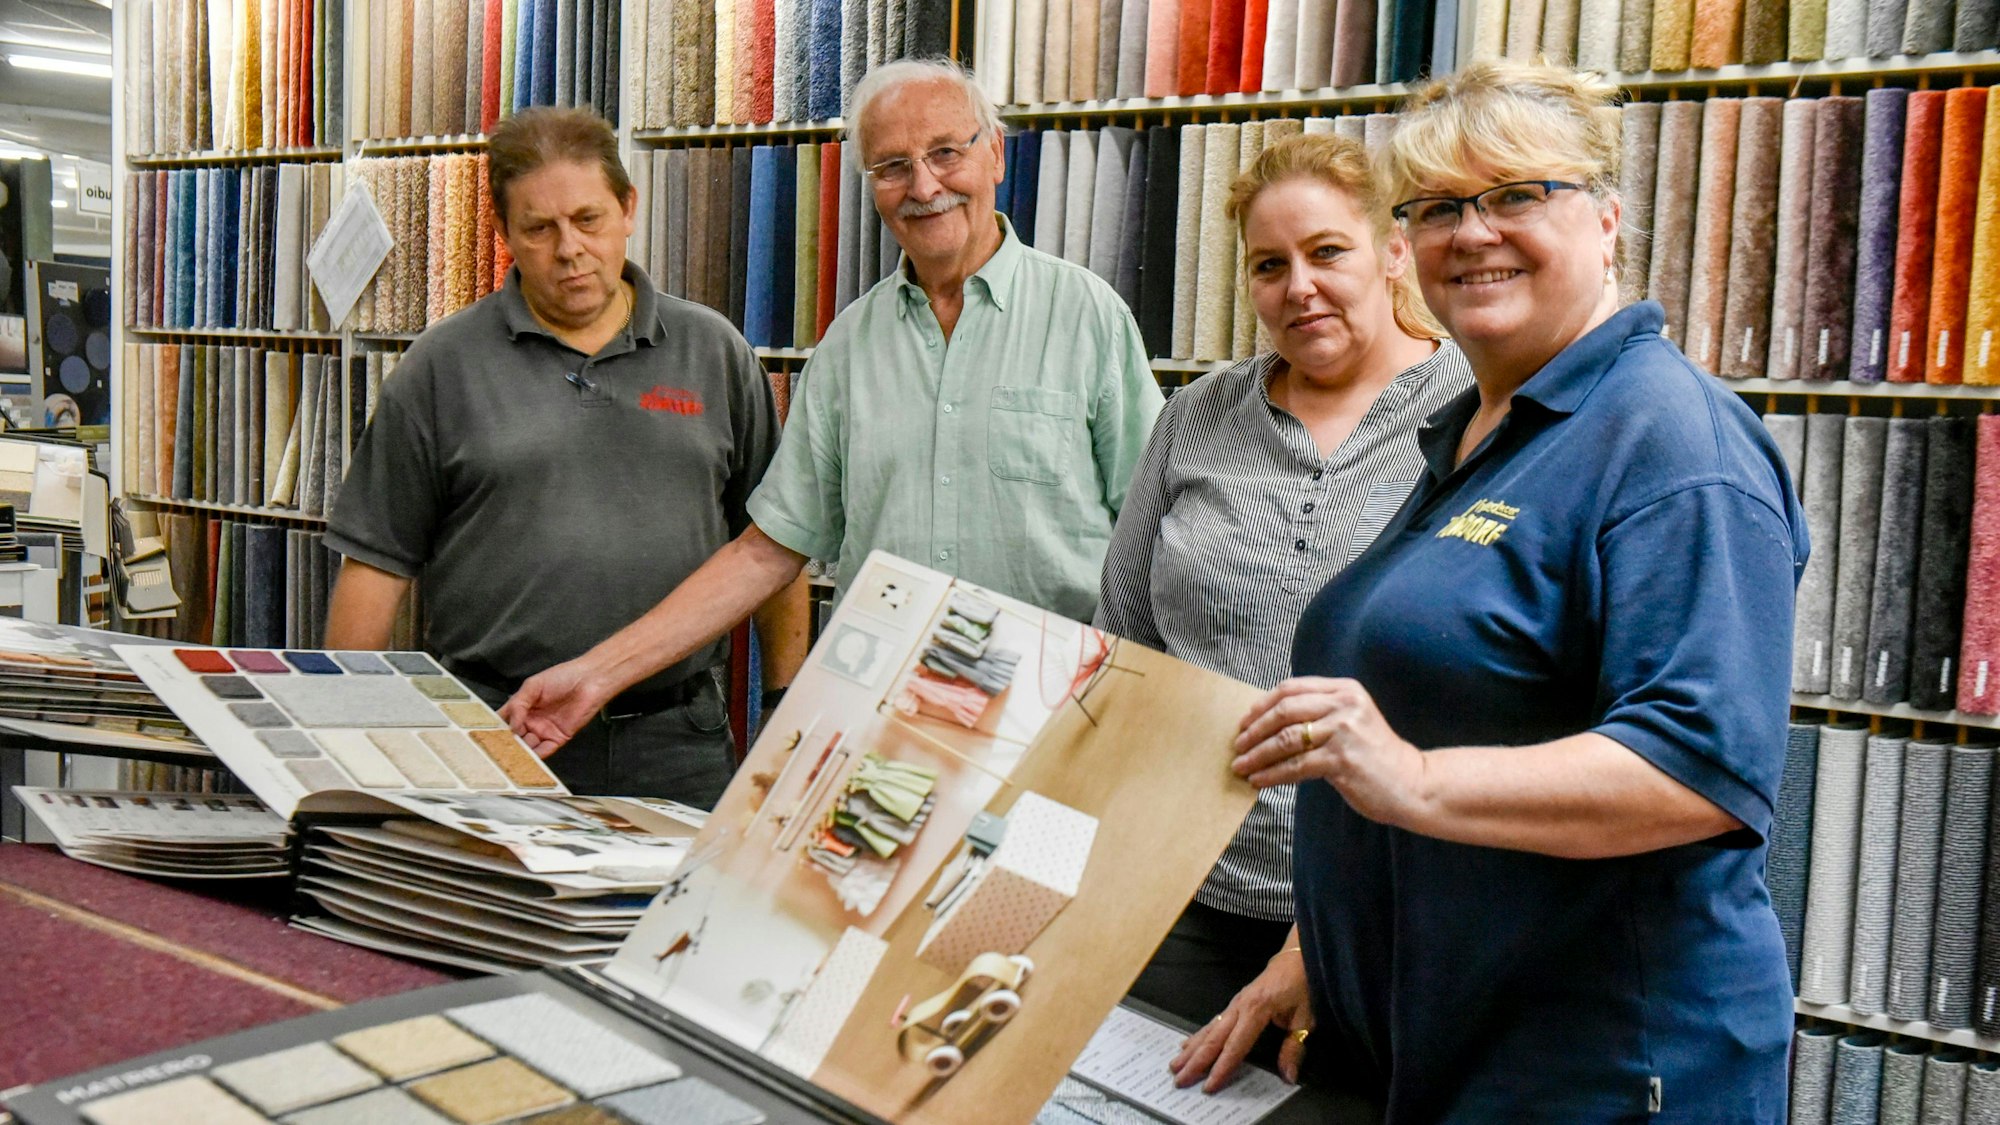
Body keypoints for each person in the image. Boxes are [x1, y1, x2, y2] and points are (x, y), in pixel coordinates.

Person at [1191, 61, 1808, 1120]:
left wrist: (1412, 779)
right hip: (1445, 1044)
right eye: (1436, 208)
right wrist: (1315, 956)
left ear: (1606, 217)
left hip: (1599, 1068)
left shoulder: (1670, 441)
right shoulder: (1487, 430)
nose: (1471, 233)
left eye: (1517, 194)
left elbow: (1698, 768)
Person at [501, 59, 1162, 753]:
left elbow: (1161, 538)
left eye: (945, 152)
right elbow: (767, 551)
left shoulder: (1087, 317)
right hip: (889, 731)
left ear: (994, 152)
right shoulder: (849, 345)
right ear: (871, 185)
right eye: (893, 167)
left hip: (1056, 725)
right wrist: (595, 676)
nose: (924, 186)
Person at [1096, 134, 1470, 1078]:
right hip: (1184, 893)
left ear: (1393, 250)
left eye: (1327, 251)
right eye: (1270, 265)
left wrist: (1320, 936)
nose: (1299, 287)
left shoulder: (1474, 413)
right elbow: (1124, 645)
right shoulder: (1197, 418)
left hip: (1388, 915)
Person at [324, 107, 808, 806]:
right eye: (540, 228)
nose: (569, 249)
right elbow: (375, 566)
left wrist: (785, 711)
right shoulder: (441, 367)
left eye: (588, 219)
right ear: (504, 232)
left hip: (675, 740)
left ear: (628, 208)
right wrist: (344, 749)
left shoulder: (715, 352)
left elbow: (773, 544)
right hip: (495, 730)